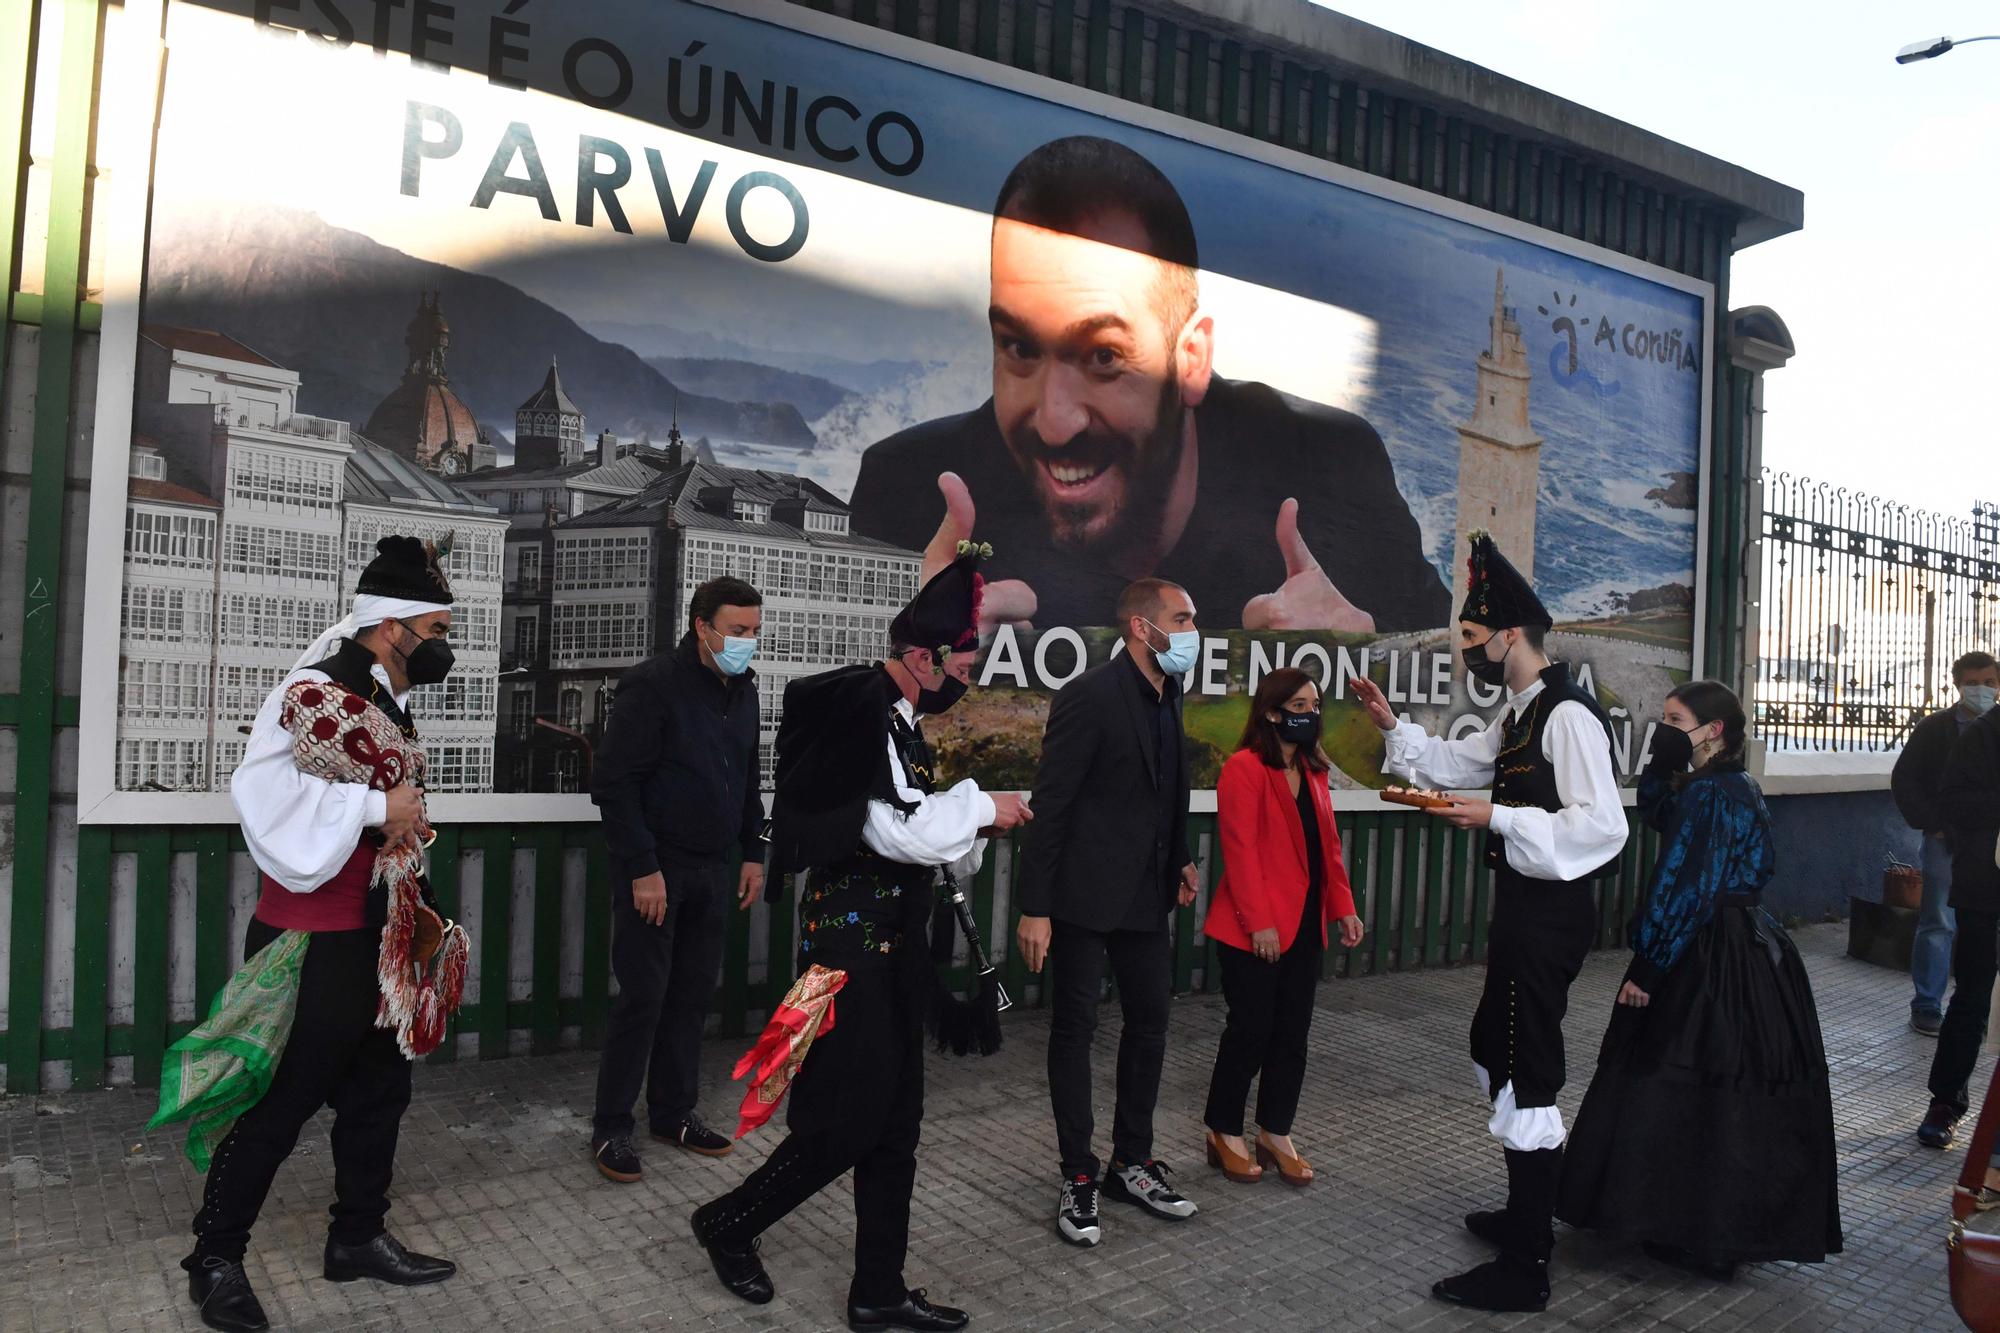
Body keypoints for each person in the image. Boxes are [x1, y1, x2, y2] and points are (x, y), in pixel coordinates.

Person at [848, 134, 1447, 636]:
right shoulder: (909, 491)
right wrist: (911, 650)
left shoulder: (1329, 466)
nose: (1056, 422)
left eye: (1105, 356)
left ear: (1190, 360)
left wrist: (1361, 663)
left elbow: (1468, 687)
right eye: (1021, 348)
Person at [689, 485, 1031, 1332]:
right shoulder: (856, 713)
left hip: (892, 952)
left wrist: (975, 818)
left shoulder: (896, 719)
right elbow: (893, 829)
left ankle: (877, 1291)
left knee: (895, 1128)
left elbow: (921, 831)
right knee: (843, 1125)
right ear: (921, 657)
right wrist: (986, 805)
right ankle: (727, 1222)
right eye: (960, 663)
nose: (969, 676)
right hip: (850, 957)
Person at [171, 536, 466, 1333]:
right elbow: (262, 796)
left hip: (374, 932)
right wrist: (377, 810)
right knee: (280, 1098)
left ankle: (358, 1236)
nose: (443, 644)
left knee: (379, 1089)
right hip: (315, 934)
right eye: (435, 629)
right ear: (391, 625)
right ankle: (215, 1258)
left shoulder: (379, 691)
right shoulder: (313, 690)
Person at [1352, 530, 1628, 1314]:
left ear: (1512, 635)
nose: (1467, 651)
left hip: (1549, 917)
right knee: (1495, 1047)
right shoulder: (1521, 710)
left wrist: (1502, 819)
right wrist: (1392, 729)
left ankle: (1527, 1260)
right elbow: (1463, 764)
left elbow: (1603, 827)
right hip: (1523, 911)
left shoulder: (1567, 716)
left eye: (1472, 638)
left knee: (1526, 1068)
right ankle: (1526, 1209)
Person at [1556, 681, 1843, 1279]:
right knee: (1719, 1090)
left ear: (1713, 730)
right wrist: (1663, 764)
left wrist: (1649, 967)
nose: (1663, 727)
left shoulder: (1713, 795)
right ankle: (1707, 1227)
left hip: (1706, 951)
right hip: (1742, 945)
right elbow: (1665, 816)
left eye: (1674, 720)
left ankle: (1695, 1230)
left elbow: (1686, 884)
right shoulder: (1730, 784)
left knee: (1682, 1082)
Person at [1014, 577, 1204, 1247]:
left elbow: (1167, 787)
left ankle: (1133, 1160)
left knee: (1150, 1021)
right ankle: (1077, 1172)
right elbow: (1052, 805)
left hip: (1147, 896)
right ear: (1139, 628)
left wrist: (1179, 854)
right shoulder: (1089, 697)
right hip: (1082, 897)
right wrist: (1035, 907)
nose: (1190, 631)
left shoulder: (1169, 693)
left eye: (1192, 619)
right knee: (1076, 1027)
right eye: (1180, 619)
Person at [587, 576, 768, 1181]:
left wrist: (753, 852)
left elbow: (746, 776)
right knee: (643, 997)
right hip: (655, 869)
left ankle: (674, 1113)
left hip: (714, 869)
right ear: (702, 627)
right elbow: (615, 784)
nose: (746, 643)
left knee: (692, 995)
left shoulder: (744, 691)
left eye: (753, 632)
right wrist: (642, 867)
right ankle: (612, 1126)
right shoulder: (652, 686)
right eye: (736, 632)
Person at [1200, 668, 1365, 1188]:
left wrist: (1344, 908)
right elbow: (1241, 852)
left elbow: (1328, 851)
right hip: (1253, 930)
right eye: (1299, 705)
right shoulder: (1244, 769)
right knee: (1249, 1032)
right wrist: (1260, 924)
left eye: (1315, 704)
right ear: (1272, 712)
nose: (1311, 714)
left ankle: (1275, 1132)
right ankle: (1222, 1131)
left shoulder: (1315, 772)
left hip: (1305, 927)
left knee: (1292, 1037)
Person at [1892, 652, 1999, 1038]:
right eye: (1973, 683)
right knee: (1938, 921)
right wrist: (1933, 823)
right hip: (1946, 843)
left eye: (1989, 683)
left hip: (1990, 847)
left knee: (1984, 925)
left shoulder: (1996, 729)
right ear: (1957, 685)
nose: (1982, 691)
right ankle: (1927, 1005)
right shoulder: (1936, 728)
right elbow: (1905, 779)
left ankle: (1978, 1006)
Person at [1919, 688, 2000, 1150]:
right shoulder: (1985, 734)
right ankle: (1945, 1102)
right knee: (1972, 997)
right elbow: (1954, 801)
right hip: (1985, 888)